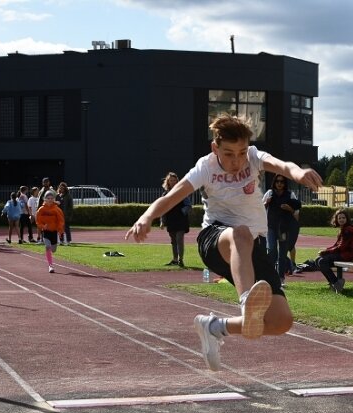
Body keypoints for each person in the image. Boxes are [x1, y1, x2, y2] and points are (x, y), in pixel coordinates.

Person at [125, 114, 323, 371]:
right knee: (239, 233)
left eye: (241, 153)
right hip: (215, 240)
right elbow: (173, 196)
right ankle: (246, 302)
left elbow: (282, 165)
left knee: (280, 321)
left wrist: (298, 172)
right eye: (229, 154)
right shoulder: (205, 168)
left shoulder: (253, 158)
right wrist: (146, 216)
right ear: (215, 148)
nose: (237, 161)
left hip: (250, 249)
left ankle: (215, 327)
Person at [310, 208, 353, 293]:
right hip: (342, 253)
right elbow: (336, 245)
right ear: (336, 219)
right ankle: (334, 283)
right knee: (318, 260)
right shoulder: (343, 229)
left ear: (347, 219)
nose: (341, 219)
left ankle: (335, 283)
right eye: (339, 218)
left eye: (343, 218)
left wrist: (326, 252)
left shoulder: (348, 230)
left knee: (322, 261)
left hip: (347, 254)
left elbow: (341, 247)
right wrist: (326, 250)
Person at [263, 174, 300, 285]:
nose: (279, 183)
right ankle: (270, 276)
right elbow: (260, 209)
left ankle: (281, 278)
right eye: (277, 181)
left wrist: (290, 209)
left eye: (282, 182)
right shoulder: (269, 193)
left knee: (282, 254)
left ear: (285, 184)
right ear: (274, 182)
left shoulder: (290, 195)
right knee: (272, 250)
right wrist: (266, 203)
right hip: (271, 227)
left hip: (284, 228)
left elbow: (297, 215)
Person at [159, 172, 192, 267]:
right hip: (170, 220)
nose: (172, 182)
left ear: (177, 181)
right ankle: (174, 260)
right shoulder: (165, 194)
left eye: (174, 180)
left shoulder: (182, 191)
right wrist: (162, 221)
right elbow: (162, 208)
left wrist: (181, 212)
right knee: (173, 241)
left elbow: (188, 205)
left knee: (179, 240)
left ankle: (181, 260)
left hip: (180, 220)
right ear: (167, 182)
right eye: (170, 180)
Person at [35, 190, 65, 273]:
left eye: (52, 198)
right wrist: (42, 226)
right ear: (45, 199)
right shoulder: (41, 209)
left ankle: (52, 250)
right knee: (47, 246)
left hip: (54, 232)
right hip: (46, 231)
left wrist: (60, 230)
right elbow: (38, 220)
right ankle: (50, 265)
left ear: (54, 199)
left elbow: (61, 221)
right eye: (48, 198)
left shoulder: (57, 209)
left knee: (53, 250)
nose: (50, 200)